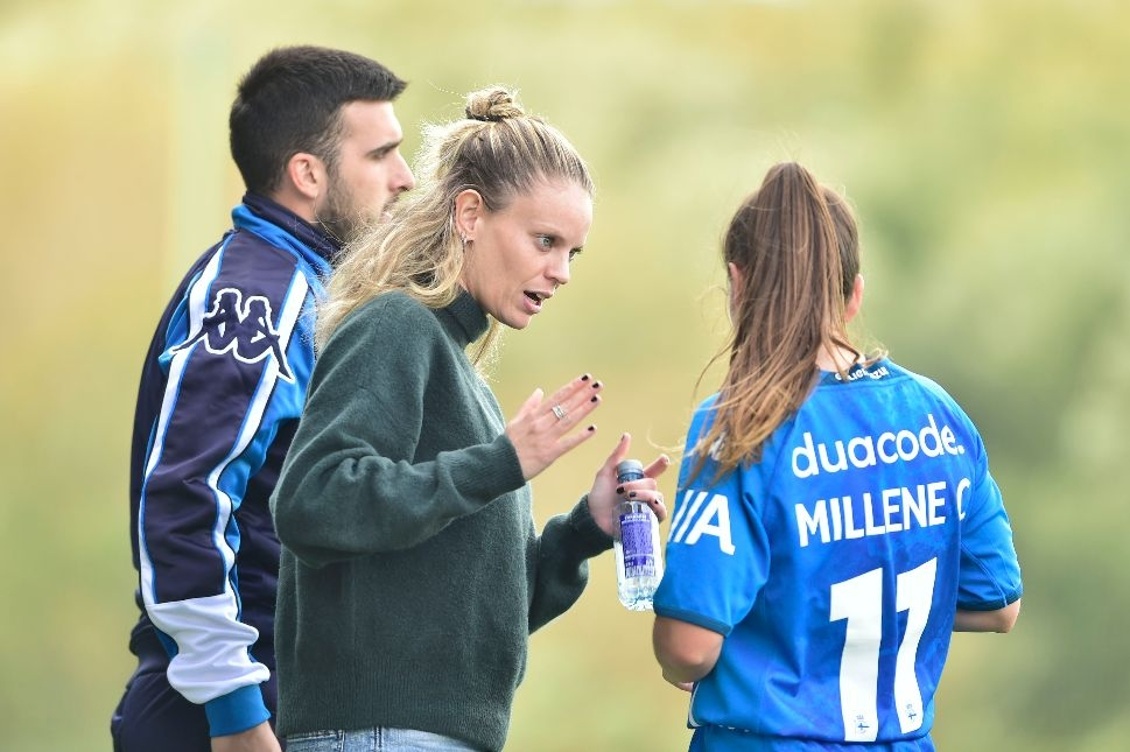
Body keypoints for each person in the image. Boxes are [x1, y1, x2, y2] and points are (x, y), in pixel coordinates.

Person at [269, 85, 670, 752]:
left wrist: (581, 533)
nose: (561, 271)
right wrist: (500, 463)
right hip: (375, 737)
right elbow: (312, 501)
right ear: (471, 214)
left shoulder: (466, 382)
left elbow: (486, 621)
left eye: (573, 252)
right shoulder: (396, 327)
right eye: (545, 240)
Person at [651, 162, 1022, 751]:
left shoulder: (742, 425)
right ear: (854, 295)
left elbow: (688, 648)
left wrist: (793, 610)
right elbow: (998, 602)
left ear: (737, 284)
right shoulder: (938, 416)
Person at [112, 45, 415, 752]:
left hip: (284, 696)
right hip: (229, 716)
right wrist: (235, 713)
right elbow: (184, 501)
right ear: (308, 174)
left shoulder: (307, 282)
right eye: (381, 155)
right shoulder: (256, 296)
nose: (404, 178)